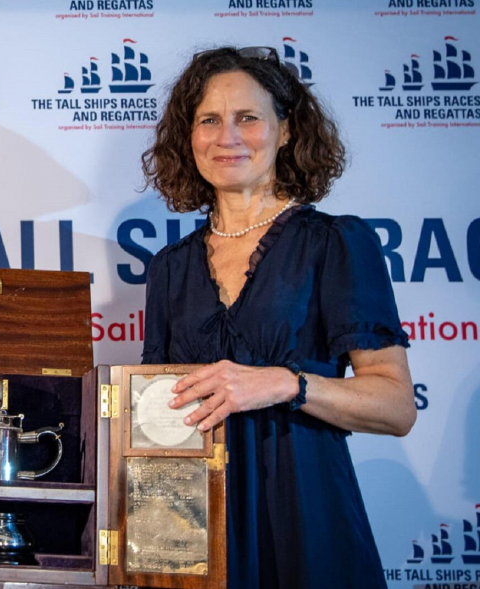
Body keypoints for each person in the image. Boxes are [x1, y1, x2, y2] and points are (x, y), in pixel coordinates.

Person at [139, 47, 415, 588]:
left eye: (248, 118)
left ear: (285, 131)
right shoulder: (168, 269)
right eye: (209, 120)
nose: (228, 137)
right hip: (195, 528)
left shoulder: (337, 243)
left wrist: (286, 384)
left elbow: (396, 406)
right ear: (188, 137)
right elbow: (154, 419)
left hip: (307, 515)